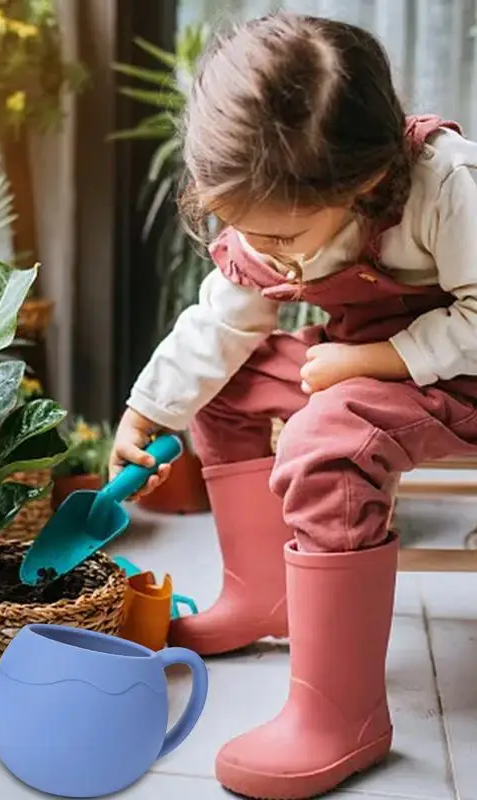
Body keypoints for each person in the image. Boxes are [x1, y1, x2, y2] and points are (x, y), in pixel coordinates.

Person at [109, 11, 477, 800]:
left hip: (462, 374)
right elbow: (222, 320)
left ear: (367, 182)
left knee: (325, 441)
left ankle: (342, 716)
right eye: (244, 231)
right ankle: (264, 594)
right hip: (363, 362)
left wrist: (368, 361)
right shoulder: (274, 205)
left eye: (282, 237)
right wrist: (149, 412)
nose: (264, 251)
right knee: (227, 386)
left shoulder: (445, 183)